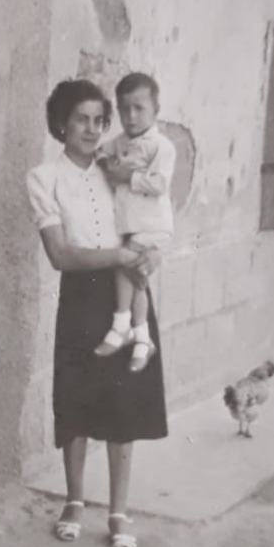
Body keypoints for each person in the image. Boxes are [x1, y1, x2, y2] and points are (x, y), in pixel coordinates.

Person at [27, 78, 170, 547]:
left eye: (98, 120)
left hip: (127, 291)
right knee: (76, 397)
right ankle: (73, 500)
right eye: (80, 119)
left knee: (124, 400)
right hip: (83, 292)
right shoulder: (44, 178)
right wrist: (122, 257)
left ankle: (118, 510)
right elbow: (61, 256)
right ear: (61, 123)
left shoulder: (117, 165)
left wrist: (151, 257)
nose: (91, 129)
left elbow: (152, 212)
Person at [94, 72, 177, 373]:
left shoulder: (162, 146)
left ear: (155, 109)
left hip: (153, 225)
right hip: (133, 225)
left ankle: (121, 326)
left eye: (139, 108)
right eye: (124, 108)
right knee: (136, 279)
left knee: (125, 270)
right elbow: (101, 152)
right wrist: (106, 163)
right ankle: (142, 338)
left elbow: (159, 184)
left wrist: (127, 176)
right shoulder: (120, 142)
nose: (130, 116)